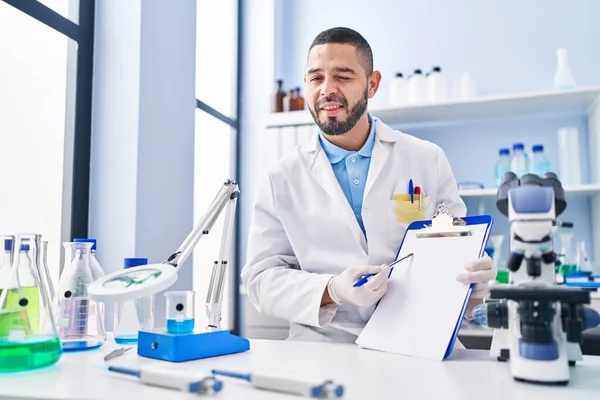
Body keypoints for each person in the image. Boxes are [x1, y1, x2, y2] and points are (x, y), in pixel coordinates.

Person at [241, 27, 496, 343]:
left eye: (343, 77)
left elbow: (457, 247)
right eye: (316, 78)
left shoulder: (426, 158)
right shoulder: (281, 177)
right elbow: (260, 279)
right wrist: (332, 290)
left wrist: (473, 282)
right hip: (324, 344)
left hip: (419, 338)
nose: (327, 90)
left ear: (372, 84)